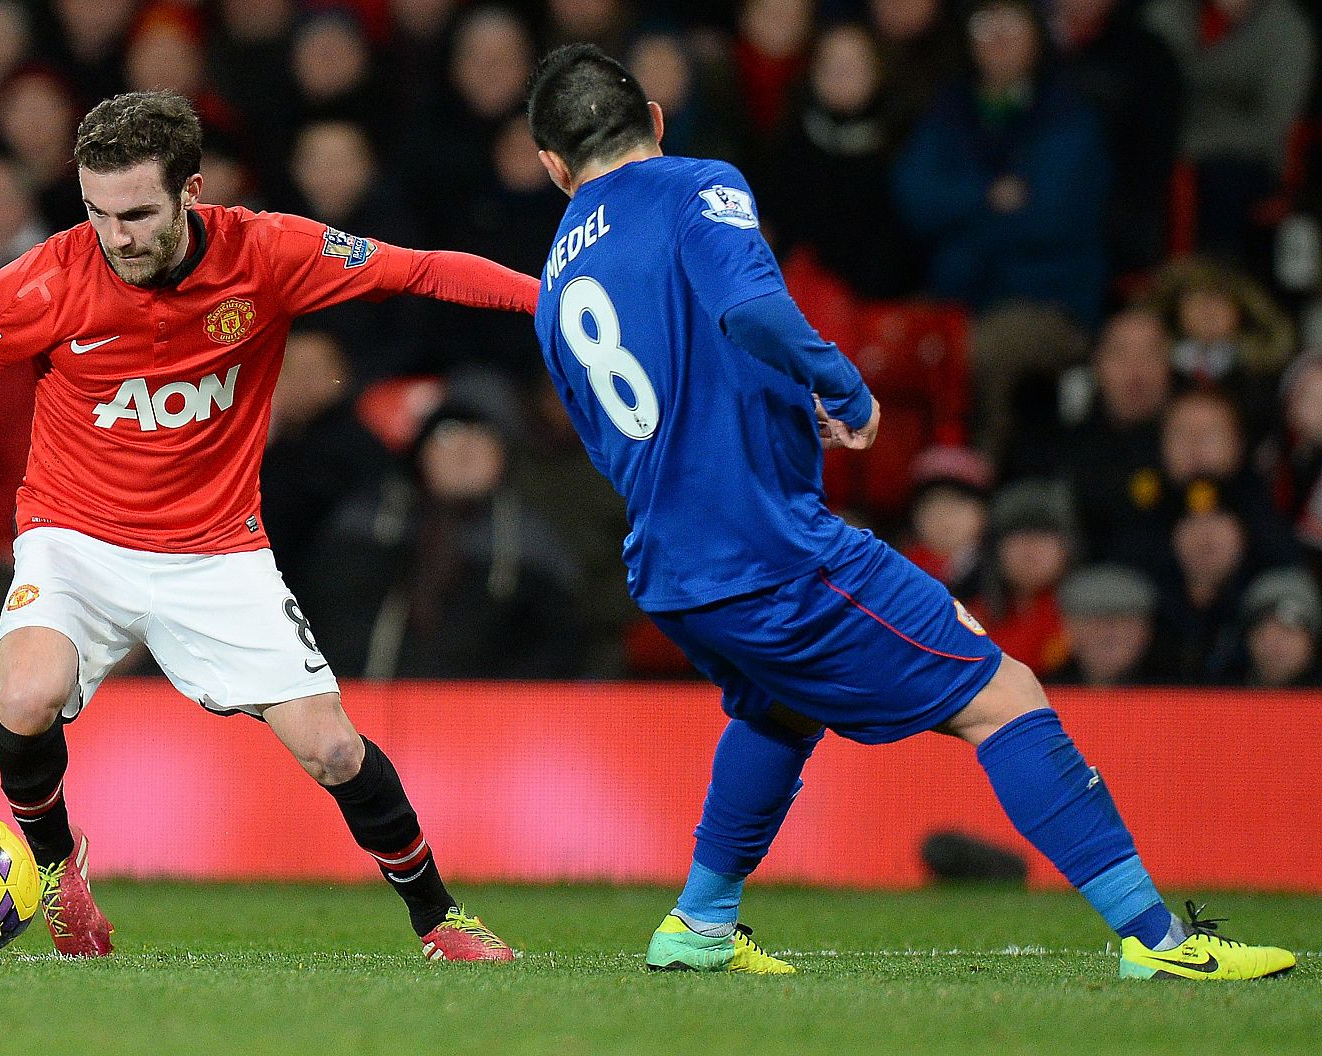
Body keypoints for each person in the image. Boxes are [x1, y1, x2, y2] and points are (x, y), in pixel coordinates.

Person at [525, 43, 1293, 980]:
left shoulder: (557, 284)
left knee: (777, 710)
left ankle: (699, 926)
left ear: (553, 168)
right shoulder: (697, 184)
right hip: (773, 552)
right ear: (652, 116)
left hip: (673, 569)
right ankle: (1160, 943)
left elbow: (639, 427)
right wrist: (843, 389)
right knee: (1004, 695)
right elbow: (751, 308)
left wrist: (762, 413)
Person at [0, 90, 535, 963]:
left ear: (191, 192)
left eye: (136, 215)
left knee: (332, 750)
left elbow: (420, 269)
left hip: (216, 549)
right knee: (23, 696)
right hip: (74, 534)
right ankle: (58, 876)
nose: (117, 238)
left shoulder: (270, 253)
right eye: (97, 215)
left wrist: (547, 303)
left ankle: (441, 920)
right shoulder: (48, 278)